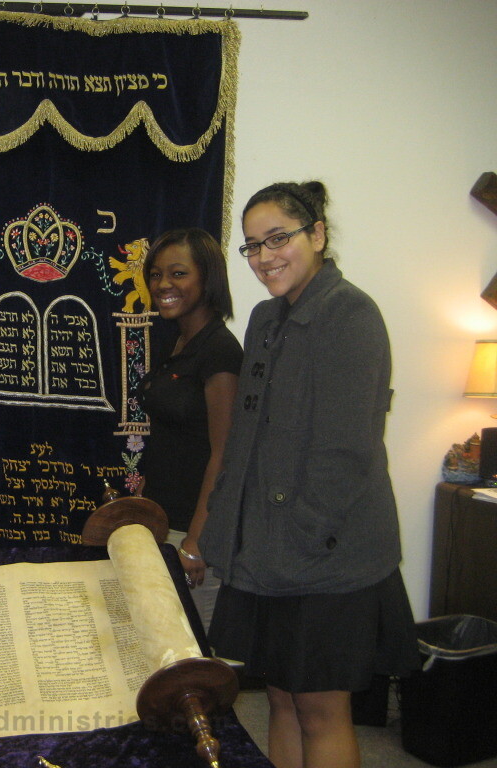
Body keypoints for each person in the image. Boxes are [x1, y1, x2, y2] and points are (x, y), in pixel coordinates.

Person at [199, 181, 419, 768]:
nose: (265, 256)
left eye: (278, 239)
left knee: (321, 710)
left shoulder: (351, 314)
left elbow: (346, 451)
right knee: (279, 700)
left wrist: (300, 535)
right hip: (267, 553)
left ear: (317, 235)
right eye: (252, 246)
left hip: (325, 557)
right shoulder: (265, 319)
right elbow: (245, 439)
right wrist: (227, 528)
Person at [137, 228, 241, 631]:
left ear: (207, 278)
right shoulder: (178, 342)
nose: (163, 284)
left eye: (178, 273)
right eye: (156, 274)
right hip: (164, 522)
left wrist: (195, 542)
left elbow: (223, 453)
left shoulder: (220, 351)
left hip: (192, 532)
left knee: (196, 663)